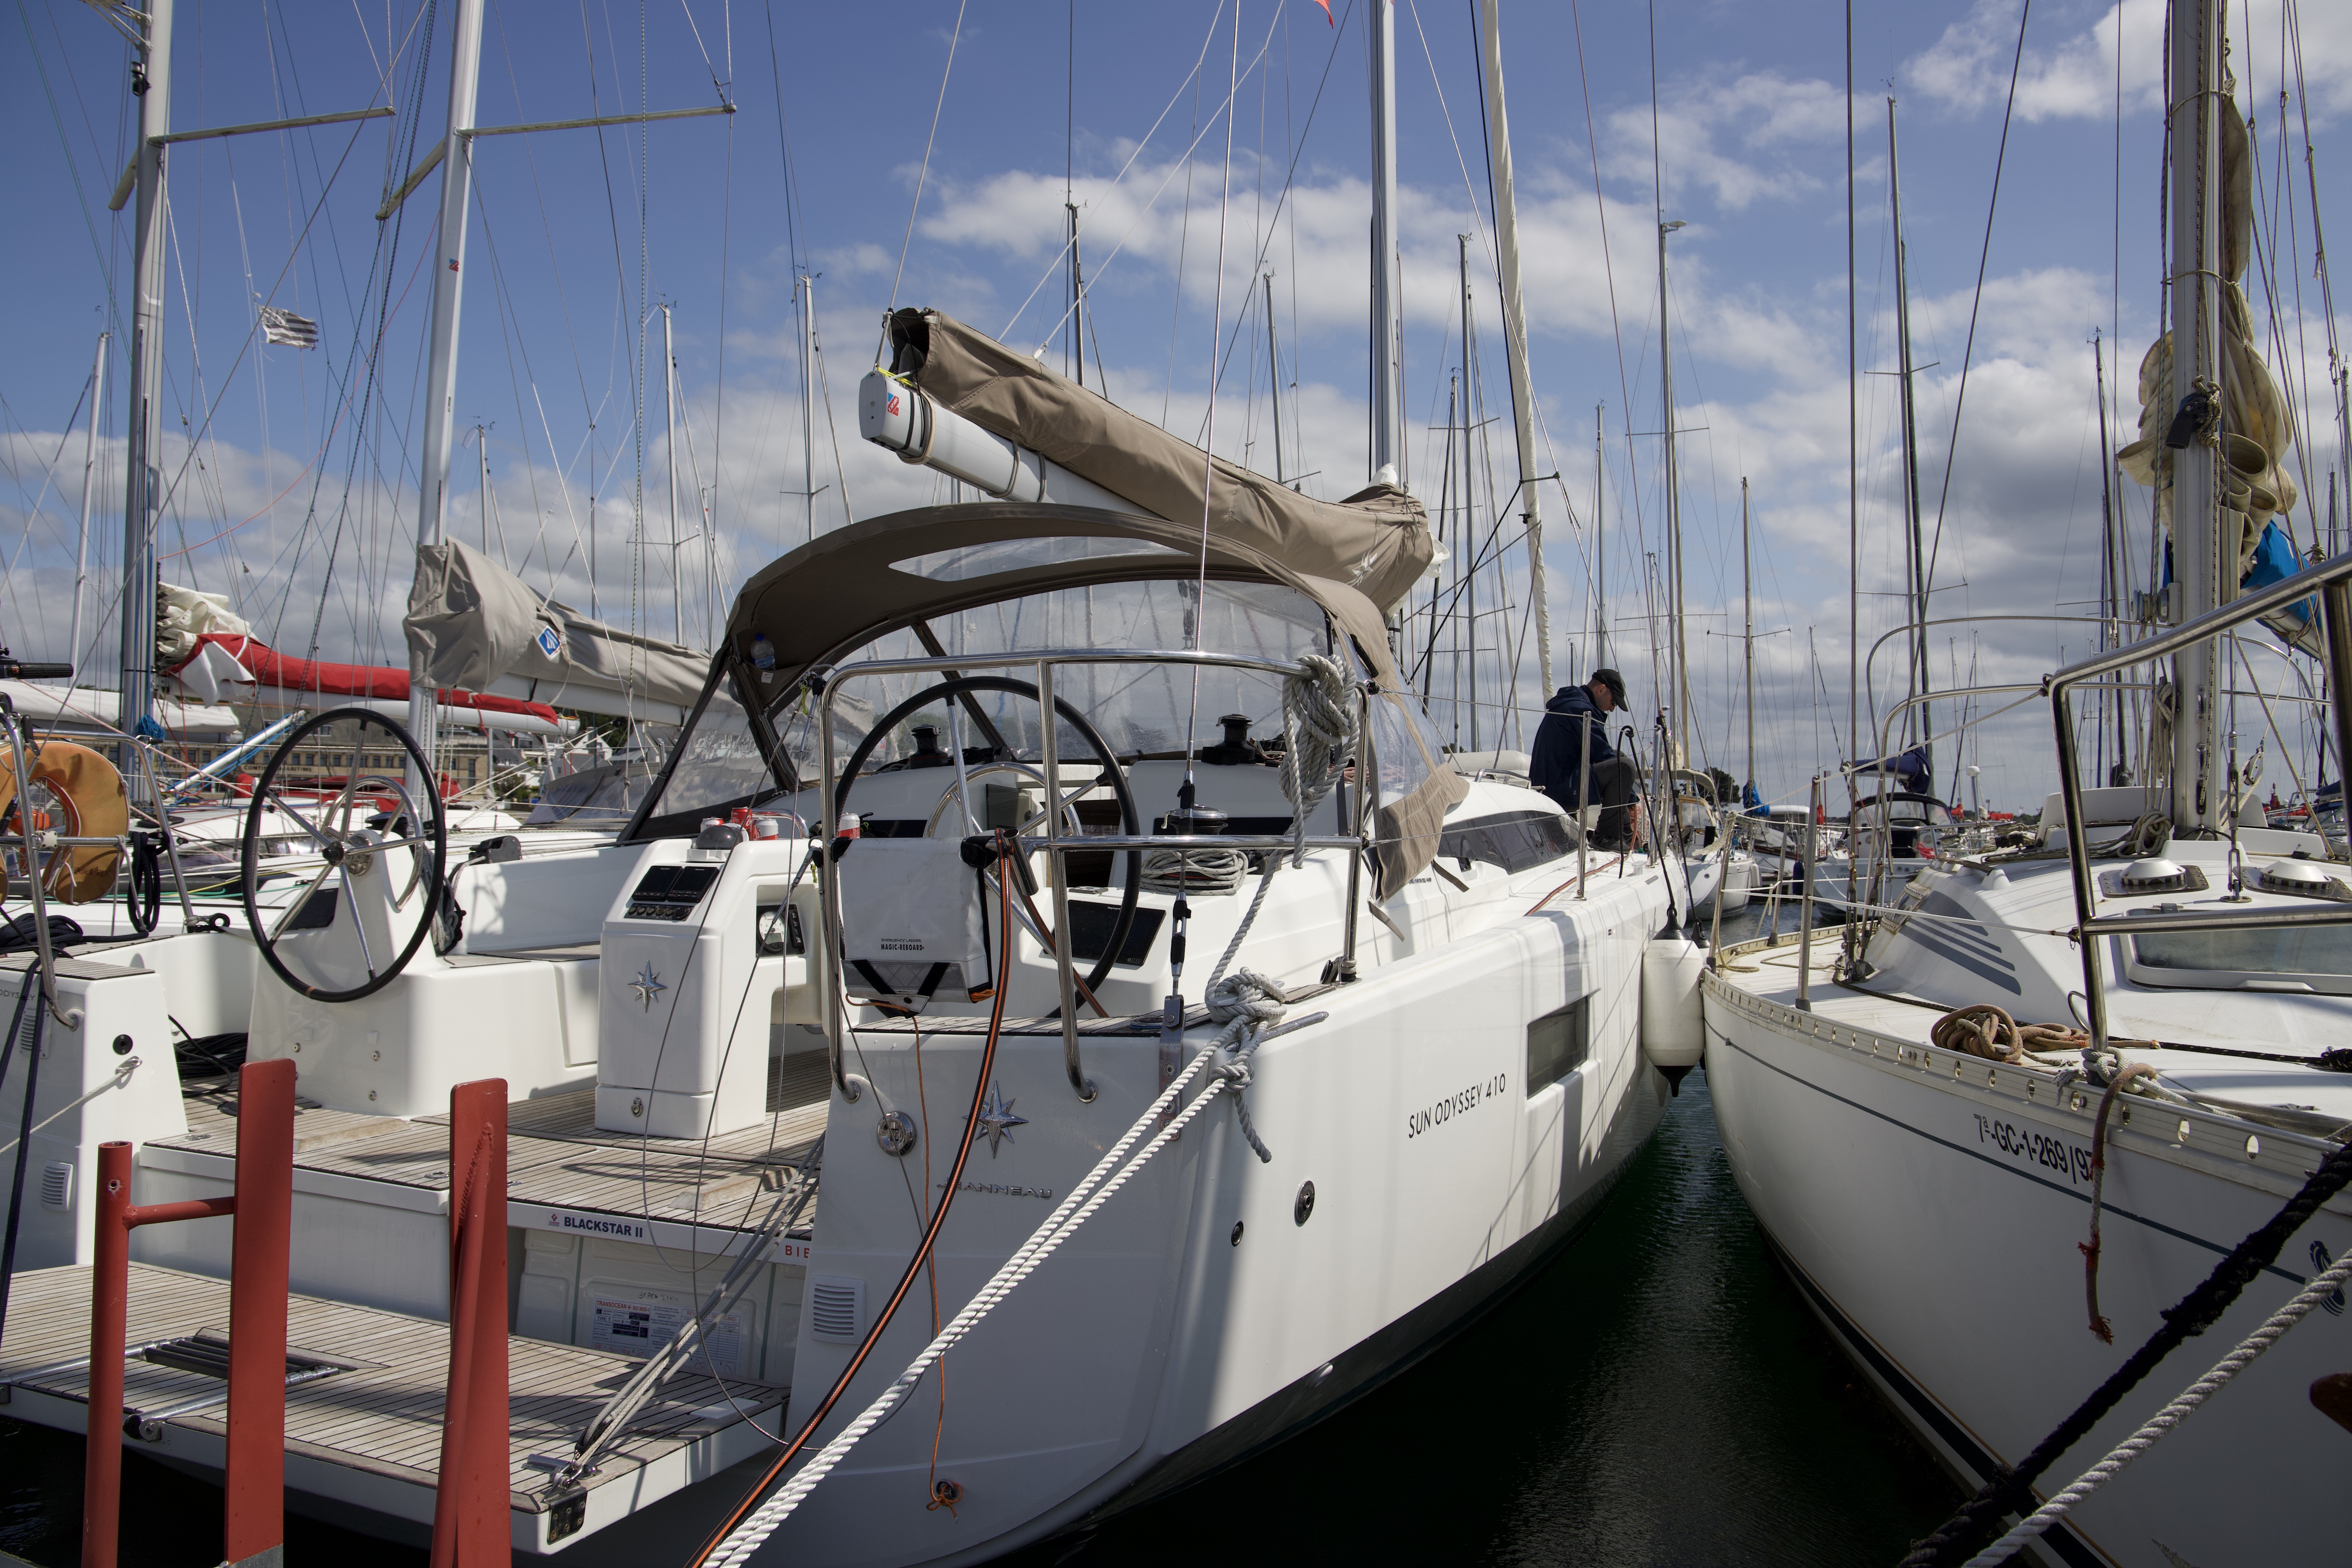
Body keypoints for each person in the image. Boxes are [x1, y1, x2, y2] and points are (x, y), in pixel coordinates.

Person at [1530, 668, 1641, 849]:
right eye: (1613, 702)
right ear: (1601, 690)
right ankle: (1606, 838)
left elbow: (1603, 755)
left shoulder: (1571, 703)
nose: (1612, 709)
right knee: (1625, 767)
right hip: (1560, 789)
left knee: (1619, 758)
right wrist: (1633, 802)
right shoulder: (1581, 709)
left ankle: (1626, 836)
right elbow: (1602, 754)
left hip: (1554, 783)